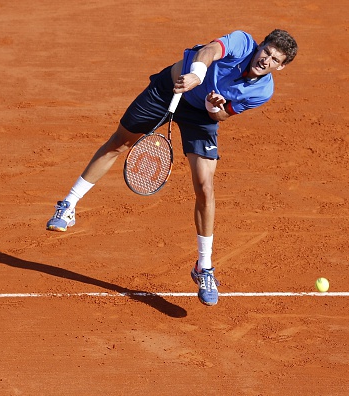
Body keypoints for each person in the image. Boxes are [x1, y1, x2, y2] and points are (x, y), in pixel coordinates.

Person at [45, 29, 298, 306]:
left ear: (281, 67)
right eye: (266, 51)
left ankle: (204, 267)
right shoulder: (242, 42)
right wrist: (197, 76)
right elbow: (208, 52)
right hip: (170, 89)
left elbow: (224, 115)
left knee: (205, 187)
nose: (266, 60)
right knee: (119, 143)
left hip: (201, 114)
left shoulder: (263, 91)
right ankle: (68, 206)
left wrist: (214, 107)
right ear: (260, 46)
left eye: (274, 59)